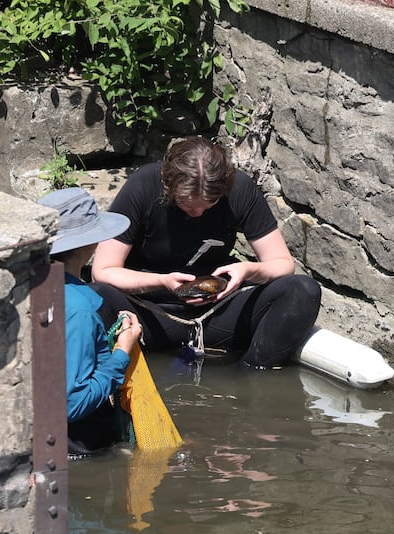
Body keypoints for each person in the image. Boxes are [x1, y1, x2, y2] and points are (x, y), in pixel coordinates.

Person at [90, 136, 321, 369]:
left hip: (216, 313)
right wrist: (161, 282)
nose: (198, 213)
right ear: (168, 186)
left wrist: (249, 270)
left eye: (209, 204)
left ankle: (248, 377)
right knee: (93, 296)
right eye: (188, 205)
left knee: (303, 290)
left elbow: (282, 263)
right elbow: (103, 271)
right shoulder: (143, 185)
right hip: (149, 315)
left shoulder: (241, 189)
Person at [37, 187, 143, 456]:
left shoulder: (28, 285)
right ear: (89, 244)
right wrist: (121, 352)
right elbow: (72, 404)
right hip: (72, 450)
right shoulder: (78, 310)